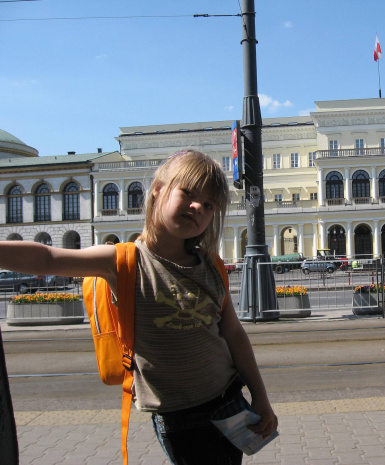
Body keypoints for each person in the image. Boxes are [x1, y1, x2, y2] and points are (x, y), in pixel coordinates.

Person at [0, 150, 277, 464]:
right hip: (178, 416)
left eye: (209, 204)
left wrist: (262, 397)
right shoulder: (124, 260)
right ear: (158, 189)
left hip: (228, 401)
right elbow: (47, 259)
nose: (198, 206)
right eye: (188, 193)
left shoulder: (212, 265)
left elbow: (234, 335)